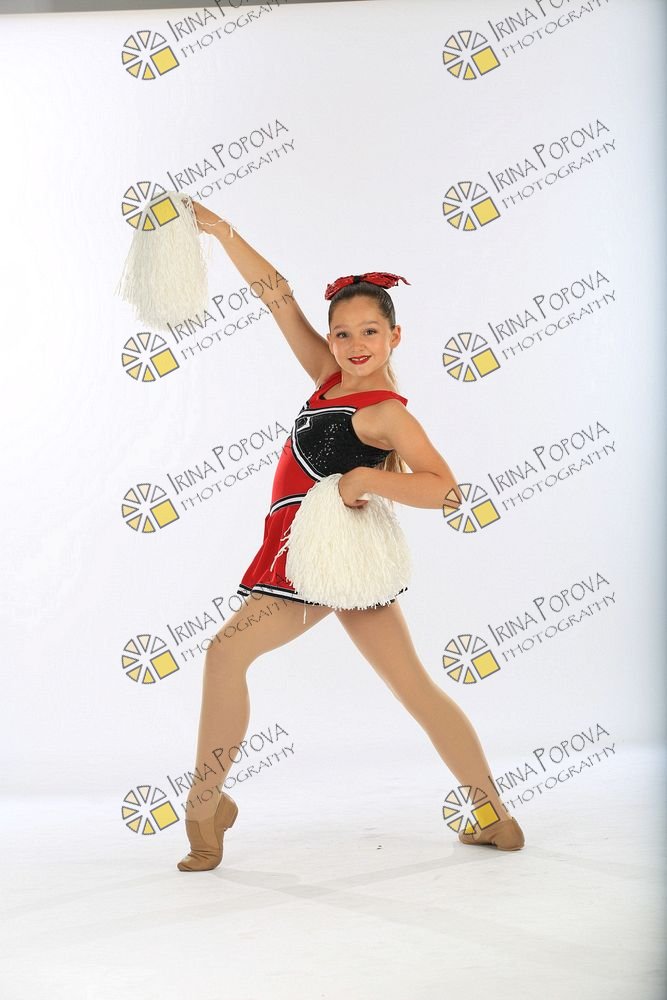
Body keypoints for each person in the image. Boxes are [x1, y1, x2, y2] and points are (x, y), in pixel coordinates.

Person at [176, 199, 525, 871]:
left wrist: (364, 480)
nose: (354, 343)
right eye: (342, 333)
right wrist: (220, 231)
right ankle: (494, 816)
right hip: (329, 559)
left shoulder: (387, 412)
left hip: (312, 562)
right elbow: (277, 297)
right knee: (414, 688)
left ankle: (203, 807)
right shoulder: (329, 379)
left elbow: (444, 489)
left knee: (224, 656)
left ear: (395, 336)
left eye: (369, 331)